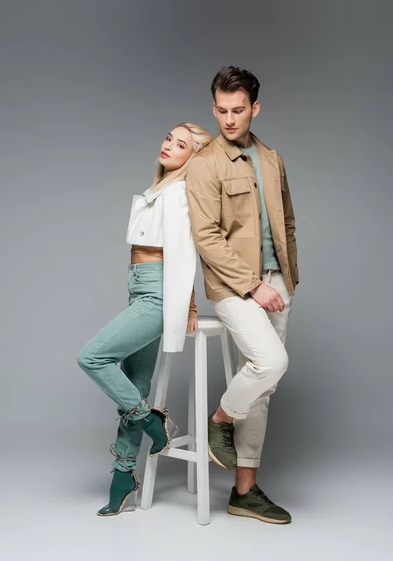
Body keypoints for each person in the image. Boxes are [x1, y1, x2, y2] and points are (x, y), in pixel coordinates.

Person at [78, 122, 212, 516]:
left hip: (158, 290)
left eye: (181, 143)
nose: (169, 145)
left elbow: (185, 251)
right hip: (140, 284)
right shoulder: (160, 187)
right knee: (135, 382)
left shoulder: (180, 192)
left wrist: (187, 305)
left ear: (194, 156)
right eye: (169, 137)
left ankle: (152, 419)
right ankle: (123, 478)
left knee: (93, 357)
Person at [186, 67, 299, 525]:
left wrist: (286, 279)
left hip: (279, 282)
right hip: (236, 285)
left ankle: (244, 493)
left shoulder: (272, 159)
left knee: (264, 390)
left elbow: (287, 221)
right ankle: (219, 420)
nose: (229, 120)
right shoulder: (206, 162)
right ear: (213, 107)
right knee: (269, 363)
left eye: (238, 110)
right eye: (221, 110)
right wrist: (254, 285)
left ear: (255, 107)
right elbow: (206, 236)